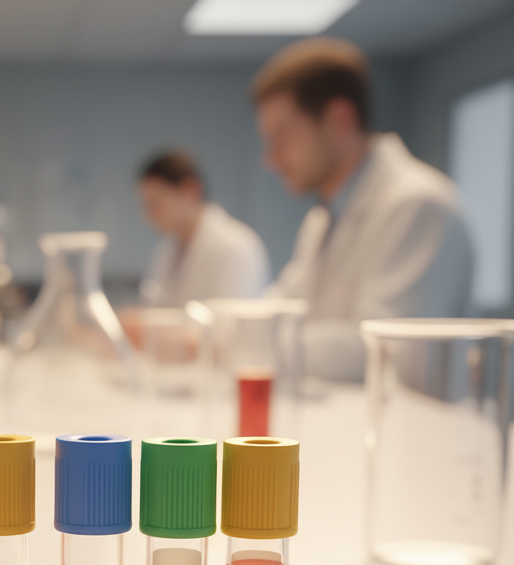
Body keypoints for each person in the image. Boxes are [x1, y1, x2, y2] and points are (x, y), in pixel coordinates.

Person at [255, 38, 473, 381]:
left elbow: (389, 354)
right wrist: (220, 332)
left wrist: (243, 342)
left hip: (415, 429)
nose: (272, 160)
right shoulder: (322, 220)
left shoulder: (417, 205)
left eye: (281, 138)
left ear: (340, 120)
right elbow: (282, 307)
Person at [137, 151, 270, 307]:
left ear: (190, 190)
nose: (148, 215)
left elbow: (227, 325)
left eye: (156, 203)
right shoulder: (167, 249)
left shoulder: (235, 246)